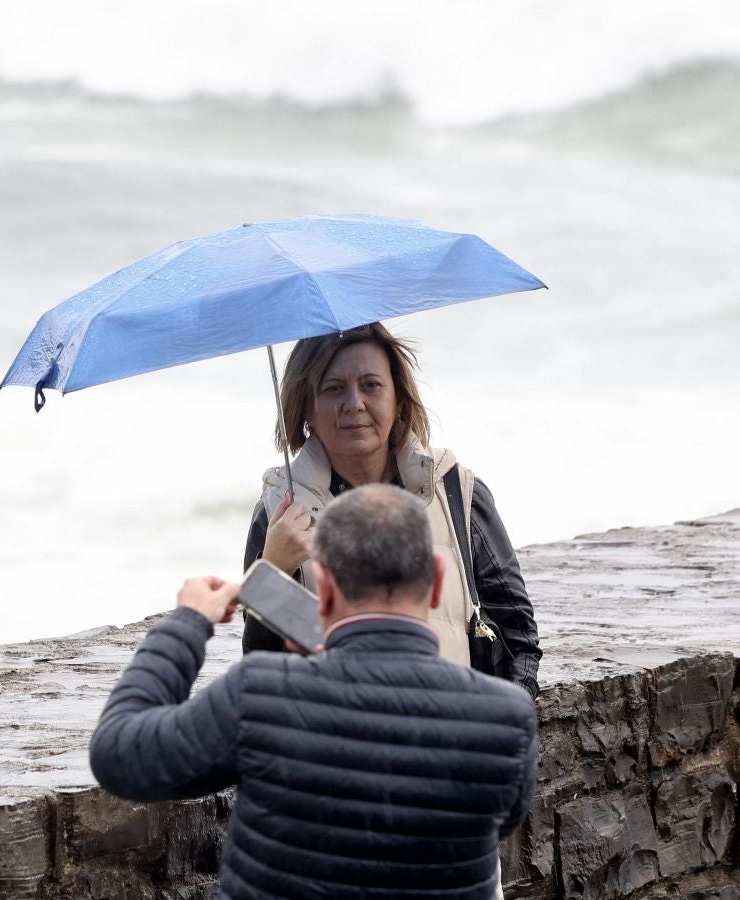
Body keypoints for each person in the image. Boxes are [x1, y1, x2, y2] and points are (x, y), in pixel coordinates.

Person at [90, 485, 538, 898]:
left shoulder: (261, 695)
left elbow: (119, 754)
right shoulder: (507, 718)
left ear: (322, 587)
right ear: (438, 578)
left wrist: (188, 623)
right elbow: (501, 819)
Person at [243, 322, 542, 698]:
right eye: (333, 389)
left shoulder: (455, 492)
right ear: (307, 408)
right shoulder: (280, 514)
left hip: (450, 744)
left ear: (398, 398)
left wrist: (498, 728)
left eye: (371, 385)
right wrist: (272, 571)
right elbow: (262, 672)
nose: (354, 403)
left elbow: (519, 636)